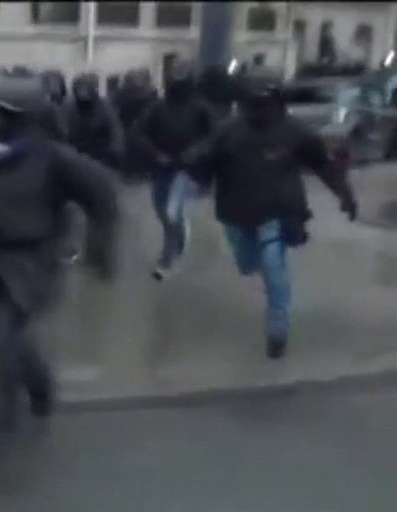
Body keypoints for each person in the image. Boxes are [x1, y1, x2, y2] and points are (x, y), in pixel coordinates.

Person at [0, 75, 119, 437]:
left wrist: (100, 248)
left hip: (30, 261)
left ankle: (5, 419)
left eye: (0, 116)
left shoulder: (52, 158)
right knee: (5, 332)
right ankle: (39, 383)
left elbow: (103, 196)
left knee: (0, 336)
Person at [182, 72, 357, 359]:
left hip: (279, 210)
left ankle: (277, 331)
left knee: (274, 267)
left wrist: (346, 197)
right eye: (252, 102)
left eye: (264, 101)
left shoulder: (295, 131)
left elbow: (324, 165)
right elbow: (204, 159)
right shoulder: (229, 132)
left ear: (276, 100)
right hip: (236, 212)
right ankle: (260, 271)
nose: (258, 109)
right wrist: (192, 169)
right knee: (247, 264)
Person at [131, 61, 215, 280]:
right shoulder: (157, 107)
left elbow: (214, 136)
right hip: (162, 167)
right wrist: (155, 154)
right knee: (161, 211)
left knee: (171, 211)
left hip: (188, 170)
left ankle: (169, 257)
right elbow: (139, 133)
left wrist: (196, 152)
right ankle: (178, 237)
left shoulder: (200, 108)